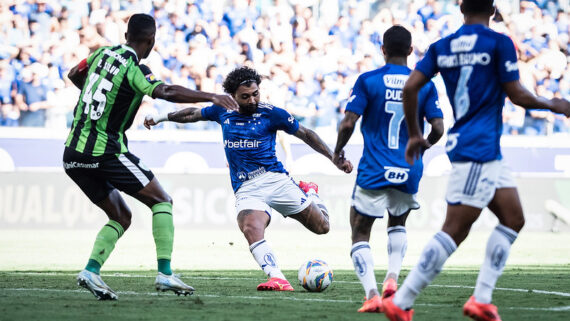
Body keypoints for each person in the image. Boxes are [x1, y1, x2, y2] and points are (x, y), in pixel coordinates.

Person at [382, 1, 570, 321]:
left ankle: (481, 299)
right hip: (477, 148)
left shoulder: (443, 46)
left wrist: (415, 133)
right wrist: (552, 103)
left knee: (513, 218)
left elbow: (411, 86)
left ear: (461, 8)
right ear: (494, 9)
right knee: (454, 230)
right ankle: (401, 300)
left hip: (483, 149)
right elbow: (517, 94)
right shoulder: (499, 42)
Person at [63, 13, 239, 301]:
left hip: (72, 154)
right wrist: (211, 96)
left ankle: (91, 270)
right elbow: (165, 90)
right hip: (105, 151)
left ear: (126, 35)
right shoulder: (136, 69)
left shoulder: (100, 54)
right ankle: (165, 273)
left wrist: (96, 95)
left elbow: (73, 74)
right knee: (162, 201)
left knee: (121, 215)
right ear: (151, 40)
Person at [145, 66, 353, 291]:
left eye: (255, 94)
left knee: (322, 227)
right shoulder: (221, 110)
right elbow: (192, 115)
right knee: (250, 227)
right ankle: (277, 278)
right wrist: (159, 117)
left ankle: (310, 191)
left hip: (274, 179)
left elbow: (306, 134)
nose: (252, 100)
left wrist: (334, 157)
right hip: (246, 187)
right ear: (233, 96)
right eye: (245, 96)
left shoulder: (273, 113)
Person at [333, 25, 443, 313]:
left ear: (382, 49)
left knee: (360, 230)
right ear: (410, 50)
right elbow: (439, 127)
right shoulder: (425, 84)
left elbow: (348, 123)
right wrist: (422, 146)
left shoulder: (368, 80)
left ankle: (372, 294)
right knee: (398, 223)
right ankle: (392, 279)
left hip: (374, 168)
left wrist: (337, 151)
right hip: (408, 167)